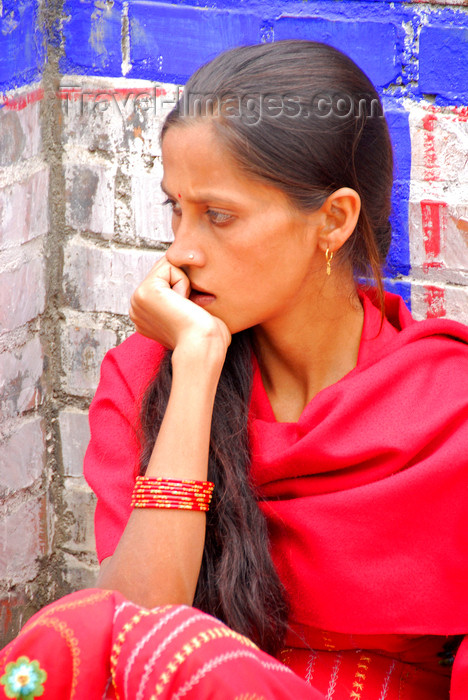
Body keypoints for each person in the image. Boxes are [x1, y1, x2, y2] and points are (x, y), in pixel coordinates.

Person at [1, 40, 468, 700]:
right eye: (177, 211)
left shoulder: (450, 405)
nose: (183, 250)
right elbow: (135, 622)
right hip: (188, 680)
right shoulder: (147, 380)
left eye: (218, 216)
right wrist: (195, 364)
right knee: (87, 637)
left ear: (332, 220)